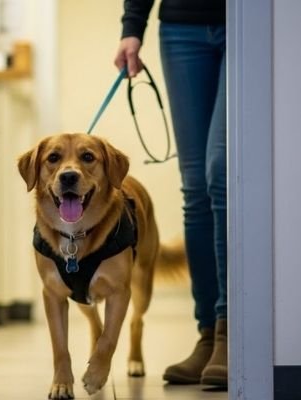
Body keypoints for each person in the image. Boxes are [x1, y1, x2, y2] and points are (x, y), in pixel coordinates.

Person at [114, 0, 228, 387]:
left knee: (221, 173)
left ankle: (229, 332)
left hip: (246, 22)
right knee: (195, 189)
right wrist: (132, 26)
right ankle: (207, 334)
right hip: (181, 26)